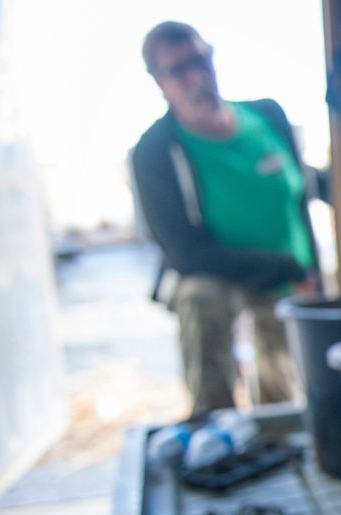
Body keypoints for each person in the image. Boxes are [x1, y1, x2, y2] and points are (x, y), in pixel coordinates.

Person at [132, 21, 323, 418]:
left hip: (289, 278)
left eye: (200, 60)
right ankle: (213, 422)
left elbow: (300, 196)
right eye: (178, 69)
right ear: (158, 81)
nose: (196, 76)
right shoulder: (156, 151)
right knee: (198, 297)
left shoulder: (267, 117)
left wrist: (311, 272)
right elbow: (184, 252)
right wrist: (283, 266)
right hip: (225, 275)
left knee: (282, 391)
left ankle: (279, 429)